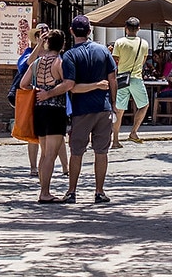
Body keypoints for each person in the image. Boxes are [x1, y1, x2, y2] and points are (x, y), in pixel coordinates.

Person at [36, 14, 117, 204]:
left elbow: (71, 85)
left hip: (81, 109)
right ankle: (99, 191)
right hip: (103, 107)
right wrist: (113, 103)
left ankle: (72, 191)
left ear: (72, 32)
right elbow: (113, 79)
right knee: (102, 152)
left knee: (77, 151)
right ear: (89, 31)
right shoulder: (103, 50)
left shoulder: (70, 55)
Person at [20, 30, 69, 203]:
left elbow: (23, 84)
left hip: (39, 110)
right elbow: (67, 84)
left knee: (44, 153)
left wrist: (37, 91)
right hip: (55, 111)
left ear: (47, 44)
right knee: (51, 154)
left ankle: (43, 189)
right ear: (62, 45)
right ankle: (45, 192)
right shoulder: (59, 62)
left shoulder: (37, 63)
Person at [111, 17, 149, 147]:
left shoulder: (119, 42)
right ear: (138, 29)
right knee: (144, 105)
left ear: (125, 28)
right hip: (136, 78)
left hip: (122, 77)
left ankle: (115, 140)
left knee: (119, 110)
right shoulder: (144, 43)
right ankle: (133, 132)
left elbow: (115, 61)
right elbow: (143, 61)